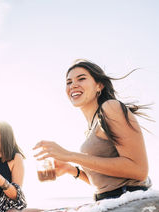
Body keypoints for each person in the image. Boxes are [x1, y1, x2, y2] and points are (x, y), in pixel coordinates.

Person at [34, 59, 152, 201]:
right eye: (69, 82)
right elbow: (106, 183)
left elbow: (139, 170)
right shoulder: (90, 128)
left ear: (99, 86)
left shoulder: (110, 107)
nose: (73, 85)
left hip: (130, 202)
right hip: (109, 201)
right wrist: (71, 169)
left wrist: (69, 155)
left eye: (81, 79)